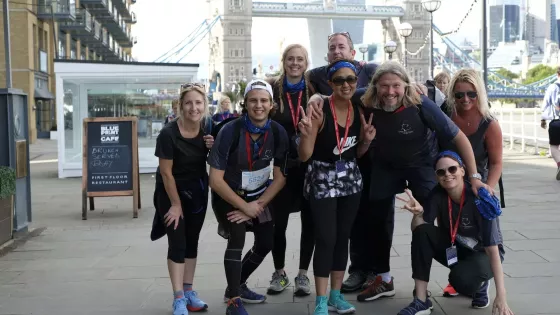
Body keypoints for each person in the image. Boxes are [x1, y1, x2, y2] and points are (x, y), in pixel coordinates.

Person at [297, 59, 376, 315]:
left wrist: (365, 141)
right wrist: (307, 134)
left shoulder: (359, 108)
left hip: (350, 179)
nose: (346, 85)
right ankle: (320, 301)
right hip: (322, 177)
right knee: (326, 238)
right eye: (339, 80)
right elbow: (305, 156)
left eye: (351, 79)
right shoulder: (320, 109)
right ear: (330, 83)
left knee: (343, 238)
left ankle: (336, 295)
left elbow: (358, 152)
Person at [396, 151, 514, 315]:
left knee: (461, 280)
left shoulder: (480, 199)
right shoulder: (437, 193)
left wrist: (501, 296)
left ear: (462, 171)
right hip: (456, 248)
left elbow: (492, 250)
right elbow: (419, 232)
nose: (447, 175)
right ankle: (421, 300)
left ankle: (481, 283)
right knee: (422, 232)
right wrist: (418, 214)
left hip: (482, 254)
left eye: (452, 169)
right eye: (441, 172)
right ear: (436, 176)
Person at [208, 79, 289, 315]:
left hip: (259, 197)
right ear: (245, 103)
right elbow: (215, 180)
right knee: (237, 238)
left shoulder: (277, 132)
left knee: (266, 243)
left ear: (271, 104)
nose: (259, 105)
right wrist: (243, 206)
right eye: (253, 100)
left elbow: (281, 177)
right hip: (229, 196)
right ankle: (234, 301)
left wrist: (257, 205)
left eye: (264, 100)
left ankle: (236, 285)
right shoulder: (229, 131)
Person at [437, 68, 504, 297]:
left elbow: (496, 163)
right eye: (459, 94)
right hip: (449, 186)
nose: (465, 99)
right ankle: (460, 277)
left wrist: (489, 189)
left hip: (477, 189)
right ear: (452, 96)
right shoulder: (444, 115)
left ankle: (481, 281)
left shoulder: (489, 123)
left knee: (483, 240)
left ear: (479, 95)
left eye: (471, 94)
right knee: (451, 234)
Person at [152, 83, 214, 315]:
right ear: (180, 105)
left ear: (204, 105)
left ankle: (189, 292)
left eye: (198, 103)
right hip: (170, 193)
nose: (193, 108)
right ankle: (178, 297)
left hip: (197, 191)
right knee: (177, 242)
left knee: (192, 241)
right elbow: (166, 173)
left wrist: (213, 146)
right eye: (188, 103)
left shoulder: (208, 126)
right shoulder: (168, 133)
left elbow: (218, 159)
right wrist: (176, 205)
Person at [267, 44, 315, 296]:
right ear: (283, 61)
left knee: (310, 222)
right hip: (280, 166)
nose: (295, 63)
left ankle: (303, 275)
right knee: (278, 224)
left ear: (306, 63)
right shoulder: (272, 88)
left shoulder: (315, 89)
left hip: (309, 166)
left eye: (300, 59)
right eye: (290, 59)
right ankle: (279, 273)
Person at [540, 66, 560, 180]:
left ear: (557, 74)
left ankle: (559, 164)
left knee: (554, 147)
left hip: (556, 122)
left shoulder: (552, 87)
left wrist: (543, 119)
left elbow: (546, 104)